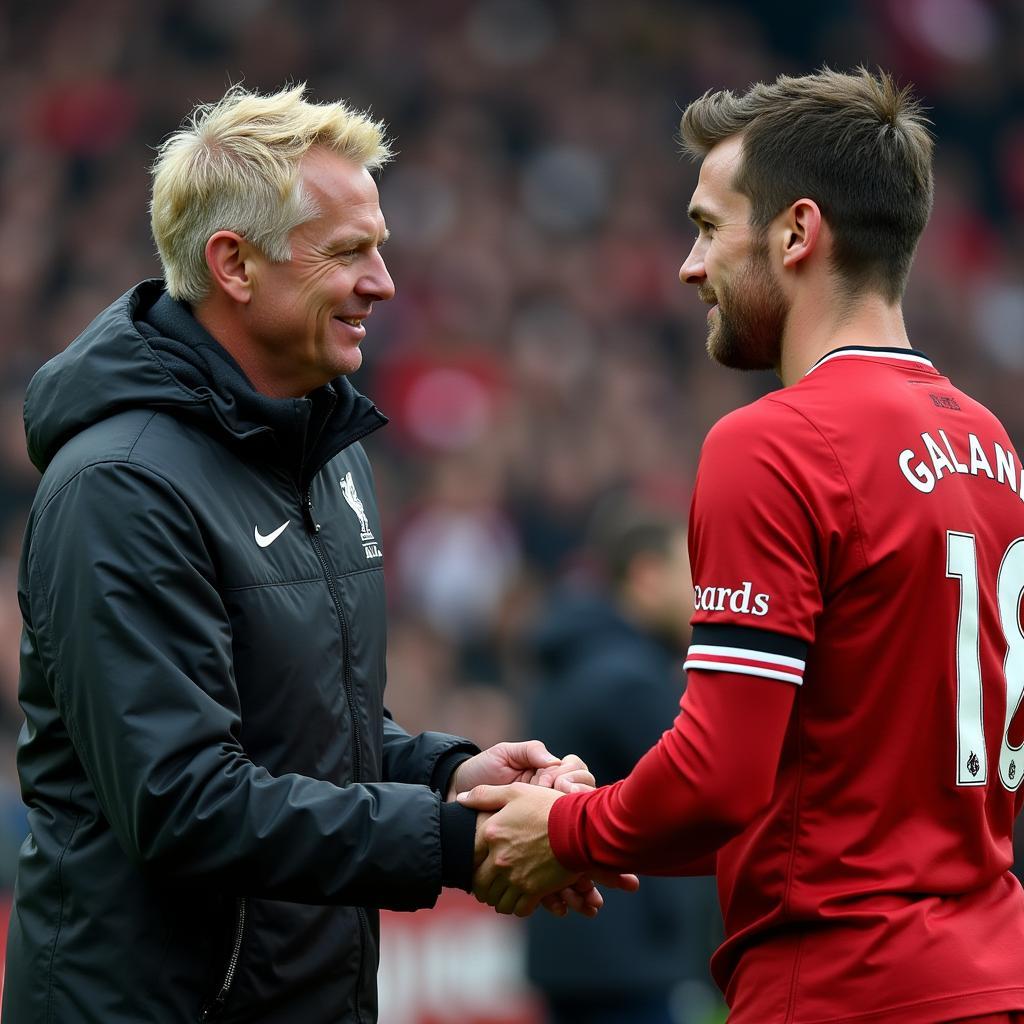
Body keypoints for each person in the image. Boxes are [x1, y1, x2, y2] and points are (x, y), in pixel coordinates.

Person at [2, 84, 630, 1024]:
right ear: (235, 264)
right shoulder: (120, 486)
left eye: (379, 248)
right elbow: (184, 802)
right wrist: (465, 844)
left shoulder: (330, 461)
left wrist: (454, 776)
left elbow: (309, 734)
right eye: (349, 253)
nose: (383, 283)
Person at [460, 68, 1024, 1023]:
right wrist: (598, 828)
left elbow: (723, 778)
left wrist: (565, 830)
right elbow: (822, 788)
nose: (690, 265)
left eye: (708, 226)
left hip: (841, 987)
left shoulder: (775, 441)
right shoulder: (988, 443)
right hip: (987, 975)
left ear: (798, 233)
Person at [525, 501, 721, 1024]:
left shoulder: (568, 660)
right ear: (646, 575)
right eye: (689, 571)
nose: (701, 592)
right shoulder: (629, 680)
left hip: (569, 949)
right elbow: (691, 800)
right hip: (629, 962)